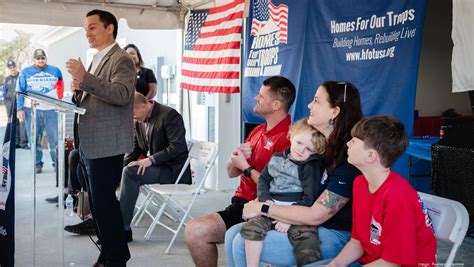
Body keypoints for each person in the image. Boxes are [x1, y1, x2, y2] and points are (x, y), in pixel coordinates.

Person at [225, 81, 363, 266]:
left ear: (334, 112)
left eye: (316, 101)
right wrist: (264, 201)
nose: (309, 105)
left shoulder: (347, 159)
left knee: (242, 242)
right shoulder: (319, 148)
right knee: (232, 233)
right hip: (304, 223)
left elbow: (316, 215)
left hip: (335, 235)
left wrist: (263, 208)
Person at [185, 76, 296, 267]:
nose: (255, 98)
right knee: (194, 230)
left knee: (197, 230)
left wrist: (245, 167)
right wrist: (235, 159)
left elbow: (276, 188)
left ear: (276, 104)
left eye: (261, 95)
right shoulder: (258, 131)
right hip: (241, 202)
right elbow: (231, 173)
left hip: (262, 206)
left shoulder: (289, 138)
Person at [65, 9, 135, 267]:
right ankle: (109, 254)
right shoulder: (96, 59)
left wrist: (85, 79)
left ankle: (115, 258)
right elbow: (93, 97)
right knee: (98, 205)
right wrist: (78, 89)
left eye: (93, 27)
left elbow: (121, 94)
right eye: (85, 28)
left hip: (107, 144)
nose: (87, 33)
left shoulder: (122, 59)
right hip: (90, 144)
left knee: (105, 205)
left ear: (110, 28)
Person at [328, 116, 436, 266]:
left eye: (354, 141)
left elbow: (392, 263)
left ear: (371, 156)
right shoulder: (360, 184)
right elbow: (358, 241)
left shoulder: (397, 196)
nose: (348, 143)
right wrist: (334, 265)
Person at [240, 118, 326, 267]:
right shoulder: (277, 158)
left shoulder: (310, 166)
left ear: (316, 153)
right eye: (299, 143)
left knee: (308, 241)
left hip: (297, 211)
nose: (301, 150)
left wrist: (289, 219)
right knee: (251, 228)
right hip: (270, 205)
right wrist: (265, 199)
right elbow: (263, 180)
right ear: (291, 136)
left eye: (309, 149)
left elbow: (309, 197)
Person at [119, 92, 190, 241]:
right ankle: (115, 224)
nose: (132, 117)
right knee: (124, 171)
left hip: (173, 171)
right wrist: (117, 172)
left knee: (130, 174)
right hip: (160, 167)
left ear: (145, 105)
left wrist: (151, 159)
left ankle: (122, 229)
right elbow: (135, 149)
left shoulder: (169, 115)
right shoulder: (139, 121)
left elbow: (178, 147)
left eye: (133, 113)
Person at [16, 49, 64, 174]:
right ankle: (37, 164)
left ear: (45, 59)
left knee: (54, 139)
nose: (40, 60)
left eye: (43, 58)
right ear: (34, 60)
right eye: (38, 58)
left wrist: (59, 101)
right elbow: (20, 91)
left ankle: (56, 163)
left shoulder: (55, 70)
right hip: (31, 110)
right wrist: (19, 108)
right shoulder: (25, 72)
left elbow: (60, 86)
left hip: (51, 110)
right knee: (34, 139)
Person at [1, 60, 29, 149]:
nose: (12, 69)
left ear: (16, 67)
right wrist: (5, 102)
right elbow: (3, 91)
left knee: (23, 122)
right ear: (8, 69)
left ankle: (23, 143)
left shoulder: (22, 76)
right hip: (10, 103)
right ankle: (16, 142)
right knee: (14, 123)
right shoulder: (7, 79)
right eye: (10, 68)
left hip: (21, 102)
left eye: (13, 67)